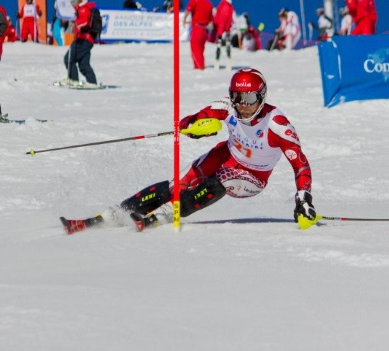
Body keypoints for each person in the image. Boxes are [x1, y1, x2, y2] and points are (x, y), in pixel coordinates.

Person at [60, 68, 318, 234]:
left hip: (254, 177)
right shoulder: (228, 107)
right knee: (178, 182)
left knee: (224, 178)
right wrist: (195, 128)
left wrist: (304, 200)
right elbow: (191, 120)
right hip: (227, 154)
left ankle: (164, 214)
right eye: (237, 97)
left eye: (249, 99)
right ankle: (114, 213)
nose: (242, 105)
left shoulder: (276, 124)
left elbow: (301, 164)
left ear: (261, 97)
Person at [59, 0, 99, 87]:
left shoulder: (83, 9)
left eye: (74, 1)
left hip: (83, 39)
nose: (72, 4)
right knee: (83, 64)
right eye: (71, 2)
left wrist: (75, 24)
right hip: (86, 40)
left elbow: (85, 23)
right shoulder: (80, 10)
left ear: (79, 1)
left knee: (69, 59)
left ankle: (73, 80)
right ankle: (92, 82)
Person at [183, 0, 214, 70]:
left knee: (195, 49)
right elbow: (211, 20)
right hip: (205, 30)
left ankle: (199, 69)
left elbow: (188, 10)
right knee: (200, 50)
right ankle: (201, 67)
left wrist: (184, 20)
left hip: (197, 28)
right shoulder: (209, 3)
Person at [213, 0, 235, 70]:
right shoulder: (228, 7)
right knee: (226, 46)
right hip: (225, 30)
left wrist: (220, 33)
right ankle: (227, 63)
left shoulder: (224, 6)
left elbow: (222, 20)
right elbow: (224, 20)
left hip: (222, 30)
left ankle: (217, 62)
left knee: (220, 45)